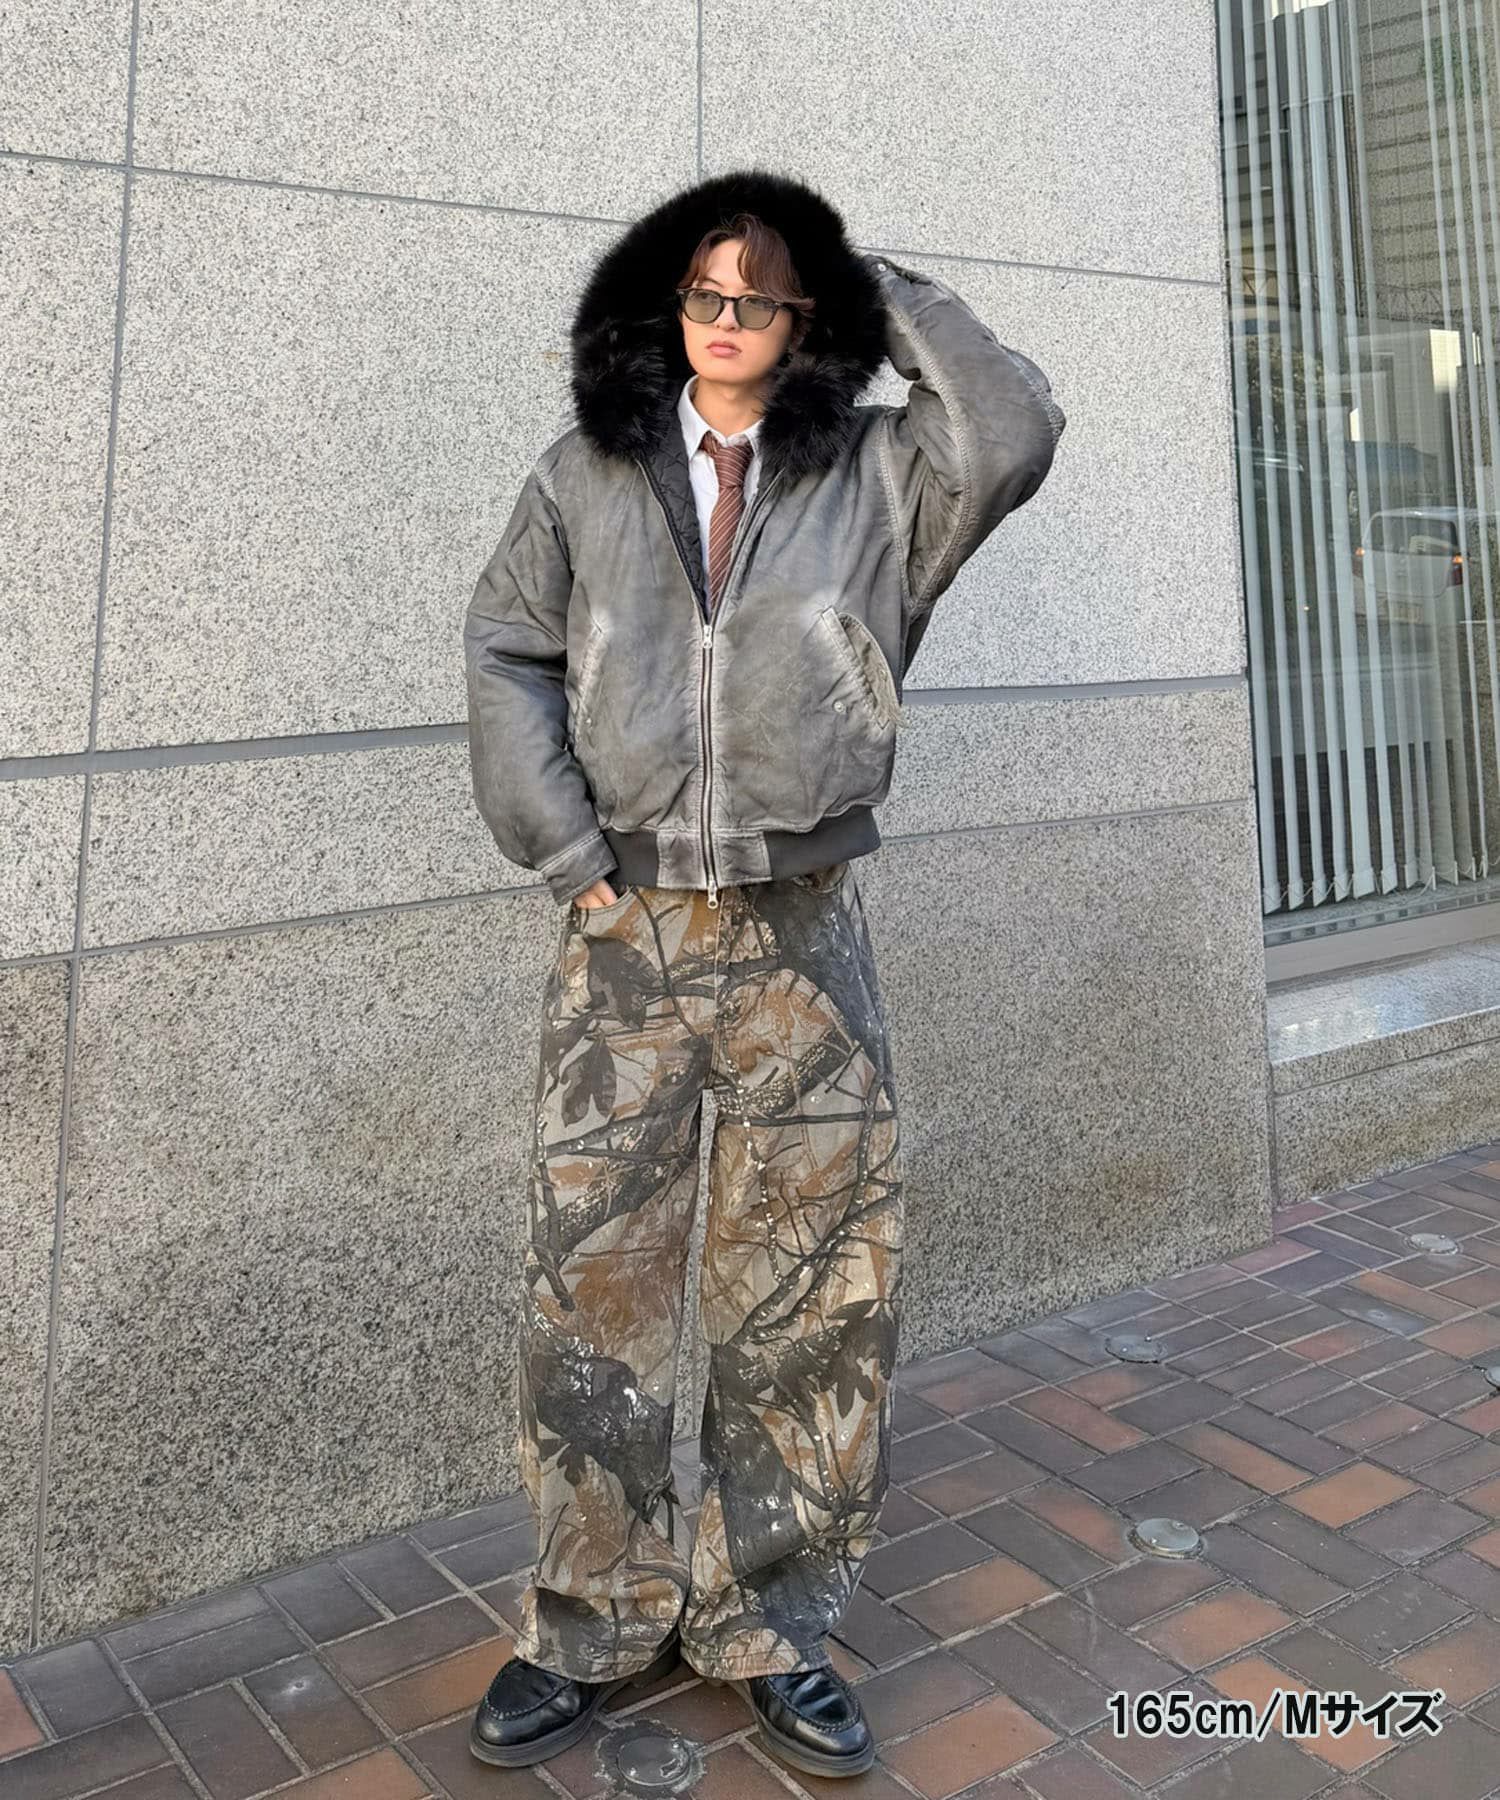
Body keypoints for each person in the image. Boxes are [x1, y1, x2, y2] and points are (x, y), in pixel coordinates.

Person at [462, 166, 1065, 1780]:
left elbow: (1012, 427)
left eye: (762, 298)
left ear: (806, 321)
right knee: (593, 1286)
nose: (727, 322)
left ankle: (773, 1624)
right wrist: (572, 858)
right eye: (705, 295)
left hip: (804, 928)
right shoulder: (586, 472)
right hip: (627, 939)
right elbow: (508, 648)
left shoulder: (879, 473)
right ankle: (587, 1619)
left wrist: (879, 278)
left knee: (812, 1288)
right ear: (670, 306)